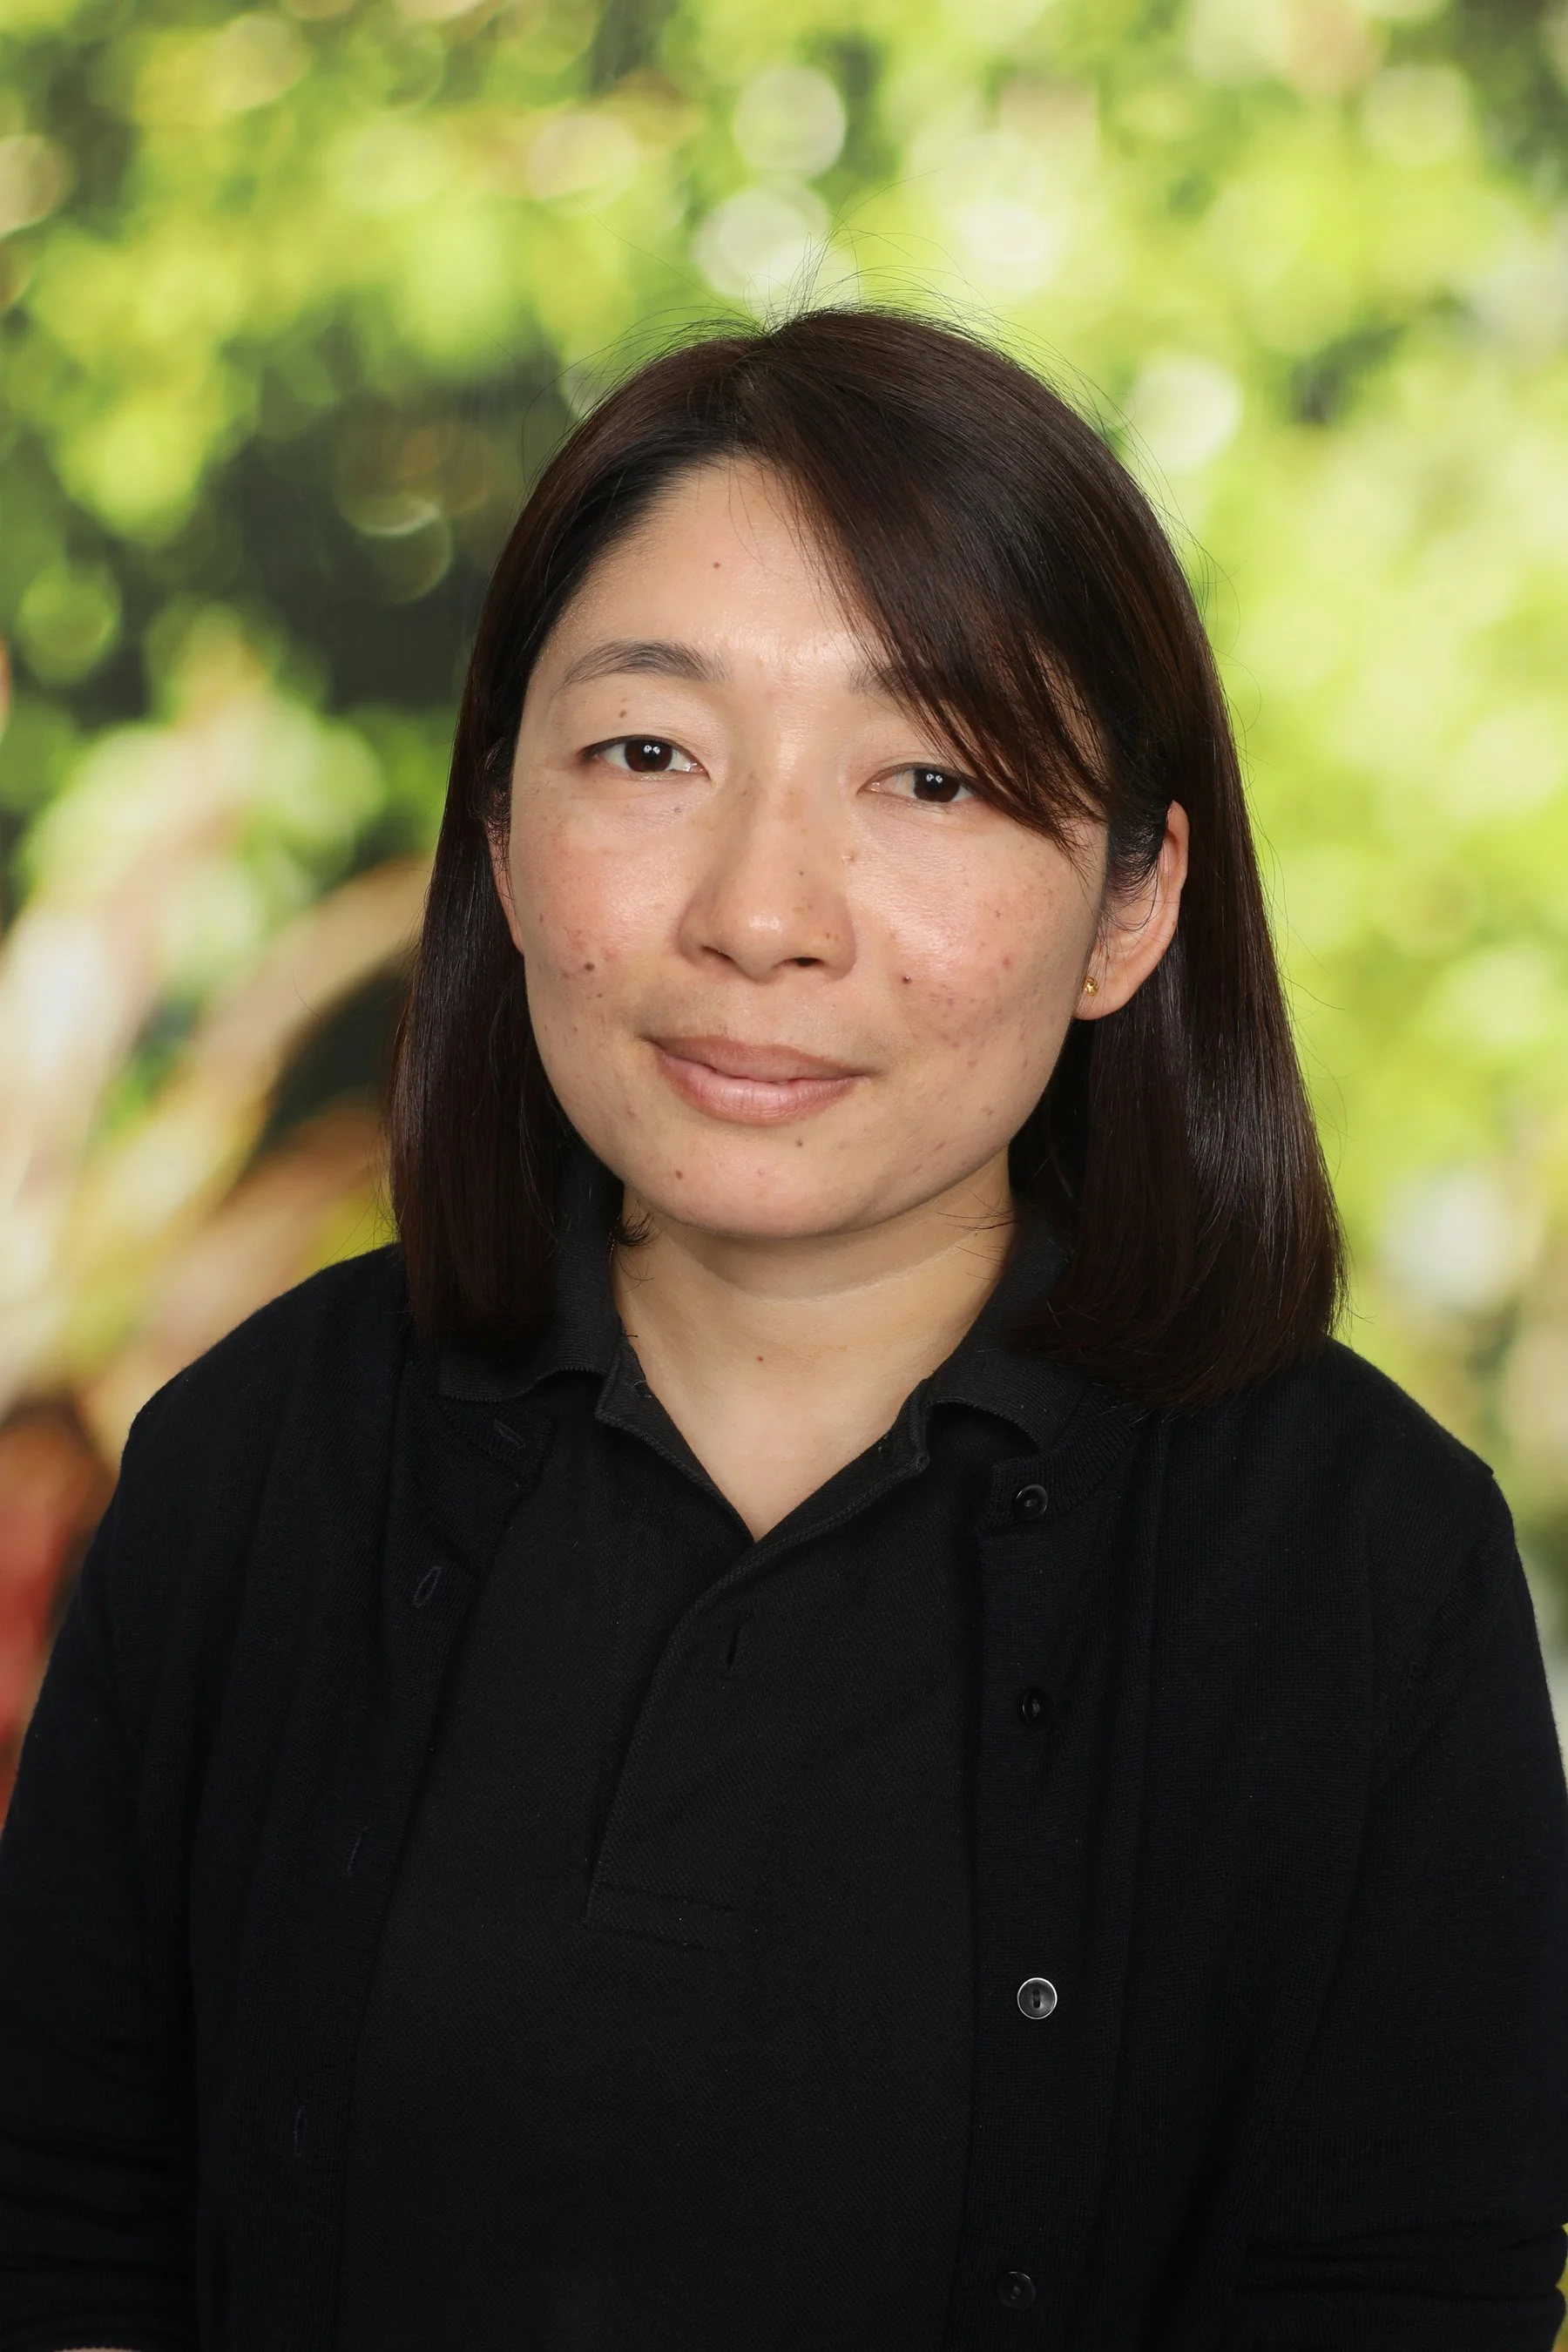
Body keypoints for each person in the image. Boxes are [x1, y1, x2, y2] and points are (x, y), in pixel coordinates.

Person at [0, 308, 1565, 2352]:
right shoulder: (250, 1471)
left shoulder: (1363, 1568)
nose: (762, 911)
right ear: (498, 821)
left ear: (1131, 908)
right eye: (651, 754)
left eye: (929, 776)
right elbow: (64, 2235)